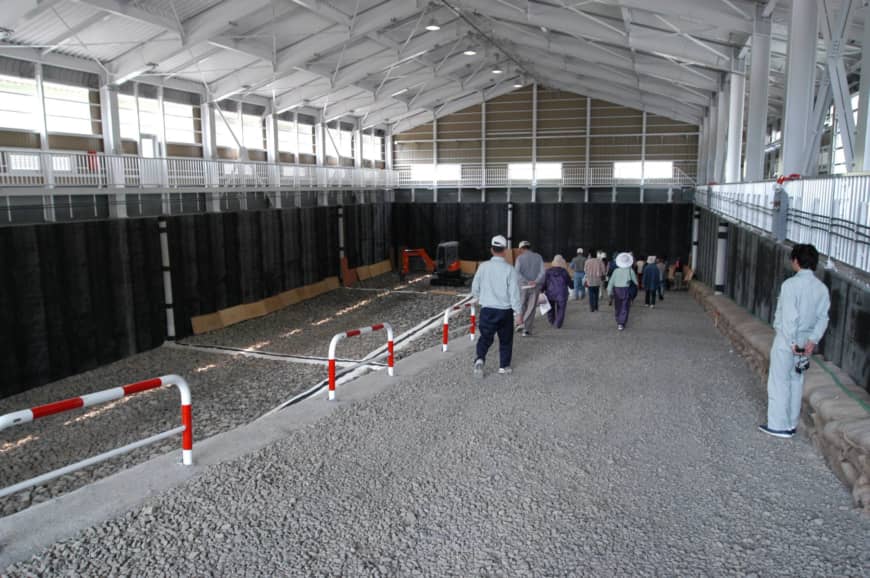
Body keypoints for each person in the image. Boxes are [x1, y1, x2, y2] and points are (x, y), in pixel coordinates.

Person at [759, 244, 830, 439]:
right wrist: (812, 341)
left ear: (796, 261)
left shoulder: (790, 285)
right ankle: (791, 424)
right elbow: (823, 318)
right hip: (806, 341)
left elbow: (790, 316)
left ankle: (777, 425)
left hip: (787, 341)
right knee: (796, 381)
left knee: (779, 382)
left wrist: (791, 342)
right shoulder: (821, 289)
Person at [471, 235, 523, 378]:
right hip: (505, 311)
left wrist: (480, 297)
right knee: (506, 340)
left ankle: (480, 358)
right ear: (505, 251)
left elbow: (475, 288)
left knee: (485, 337)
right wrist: (518, 313)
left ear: (491, 250)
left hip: (487, 310)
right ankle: (503, 367)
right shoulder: (510, 269)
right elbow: (514, 293)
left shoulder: (483, 267)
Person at [514, 240, 545, 337]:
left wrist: (526, 281)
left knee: (522, 305)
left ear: (521, 249)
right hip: (535, 286)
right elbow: (543, 272)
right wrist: (535, 281)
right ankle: (526, 330)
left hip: (523, 286)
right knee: (531, 307)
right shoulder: (538, 257)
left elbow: (517, 273)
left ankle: (520, 322)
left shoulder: (519, 258)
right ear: (529, 247)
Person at [606, 252, 638, 331]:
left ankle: (618, 320)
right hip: (626, 290)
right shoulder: (631, 271)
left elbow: (611, 282)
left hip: (616, 290)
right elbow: (636, 282)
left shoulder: (616, 271)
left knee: (617, 306)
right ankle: (621, 323)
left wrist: (609, 292)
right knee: (625, 307)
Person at [542, 255, 573, 328]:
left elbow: (544, 282)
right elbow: (569, 281)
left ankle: (552, 321)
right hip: (562, 294)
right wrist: (572, 286)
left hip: (550, 293)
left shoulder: (548, 271)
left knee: (550, 308)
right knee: (561, 309)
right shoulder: (564, 272)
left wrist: (541, 290)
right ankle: (558, 324)